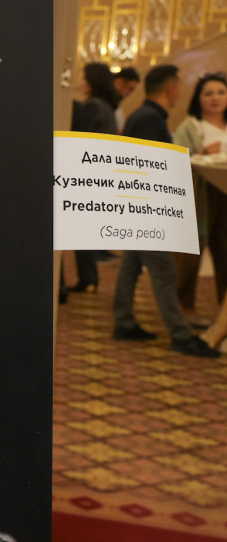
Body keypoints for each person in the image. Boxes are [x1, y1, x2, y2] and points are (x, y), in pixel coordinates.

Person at [112, 64, 220, 358]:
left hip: (138, 205)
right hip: (148, 208)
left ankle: (123, 321)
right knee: (164, 271)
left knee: (131, 265)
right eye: (178, 87)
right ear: (170, 88)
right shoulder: (150, 119)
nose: (180, 93)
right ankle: (181, 335)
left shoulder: (144, 116)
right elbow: (153, 166)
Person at [172, 71, 227, 327]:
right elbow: (175, 160)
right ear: (199, 99)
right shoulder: (191, 126)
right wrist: (203, 152)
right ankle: (185, 307)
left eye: (221, 92)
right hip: (200, 198)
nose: (215, 98)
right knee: (190, 257)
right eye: (208, 93)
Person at [70, 63, 119, 293]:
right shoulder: (107, 107)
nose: (81, 82)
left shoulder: (91, 107)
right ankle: (89, 279)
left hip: (88, 172)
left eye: (84, 78)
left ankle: (88, 278)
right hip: (101, 171)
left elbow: (83, 141)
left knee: (81, 230)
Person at [112, 66, 140, 133]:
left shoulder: (116, 106)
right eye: (130, 89)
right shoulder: (103, 104)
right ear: (119, 82)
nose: (129, 93)